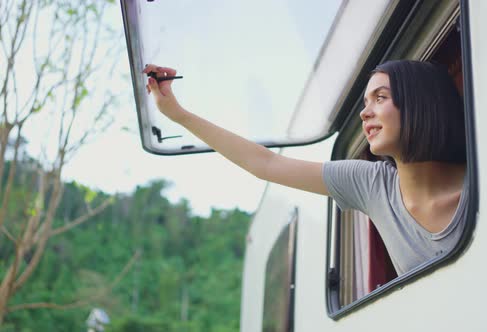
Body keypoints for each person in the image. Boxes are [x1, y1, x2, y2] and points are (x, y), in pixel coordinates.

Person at [143, 60, 468, 275]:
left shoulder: (483, 183)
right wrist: (178, 114)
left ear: (420, 104)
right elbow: (265, 162)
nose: (365, 113)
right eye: (365, 103)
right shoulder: (371, 184)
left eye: (380, 98)